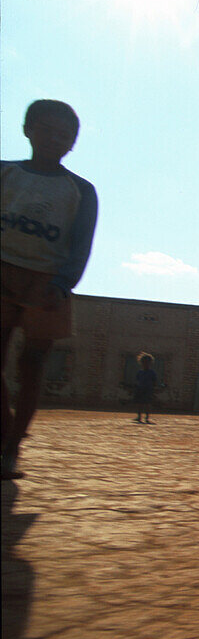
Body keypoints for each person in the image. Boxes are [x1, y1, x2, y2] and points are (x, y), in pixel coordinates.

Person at [2, 100, 98, 479]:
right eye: (46, 129)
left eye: (64, 134)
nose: (54, 139)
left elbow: (80, 245)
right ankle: (5, 430)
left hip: (46, 281)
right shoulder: (6, 173)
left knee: (32, 364)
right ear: (27, 129)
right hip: (2, 270)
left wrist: (62, 284)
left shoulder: (80, 190)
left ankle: (12, 447)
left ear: (73, 142)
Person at [133, 352, 157, 424]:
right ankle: (139, 416)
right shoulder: (140, 372)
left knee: (147, 404)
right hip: (140, 389)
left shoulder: (152, 372)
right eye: (144, 362)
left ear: (150, 363)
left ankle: (147, 417)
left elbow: (154, 381)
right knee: (139, 403)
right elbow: (137, 380)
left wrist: (153, 389)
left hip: (148, 389)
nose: (145, 364)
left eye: (147, 362)